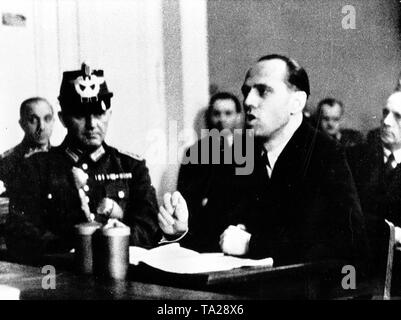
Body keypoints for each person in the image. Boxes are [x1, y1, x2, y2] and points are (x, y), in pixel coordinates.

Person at [160, 54, 369, 272]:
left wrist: (253, 244)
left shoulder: (325, 153)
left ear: (296, 102)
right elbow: (217, 230)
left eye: (263, 91)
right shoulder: (241, 153)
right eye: (246, 92)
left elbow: (349, 243)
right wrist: (181, 230)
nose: (248, 101)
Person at [5, 63, 188, 263]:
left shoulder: (131, 166)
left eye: (99, 114)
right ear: (63, 118)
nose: (92, 124)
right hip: (61, 278)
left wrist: (114, 241)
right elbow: (21, 234)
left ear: (109, 114)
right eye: (80, 115)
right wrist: (78, 243)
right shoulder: (36, 168)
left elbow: (148, 228)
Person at [347, 91, 401, 290]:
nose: (386, 121)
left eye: (398, 117)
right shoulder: (354, 157)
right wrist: (390, 233)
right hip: (357, 272)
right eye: (385, 113)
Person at [176, 92, 243, 252]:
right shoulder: (195, 152)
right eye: (216, 114)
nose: (222, 120)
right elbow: (184, 196)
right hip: (203, 235)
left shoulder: (249, 150)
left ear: (238, 117)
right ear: (209, 117)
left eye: (228, 113)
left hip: (237, 235)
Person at [0, 97, 55, 190]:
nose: (41, 127)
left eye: (47, 119)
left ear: (53, 121)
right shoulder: (7, 162)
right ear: (22, 124)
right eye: (33, 120)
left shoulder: (62, 157)